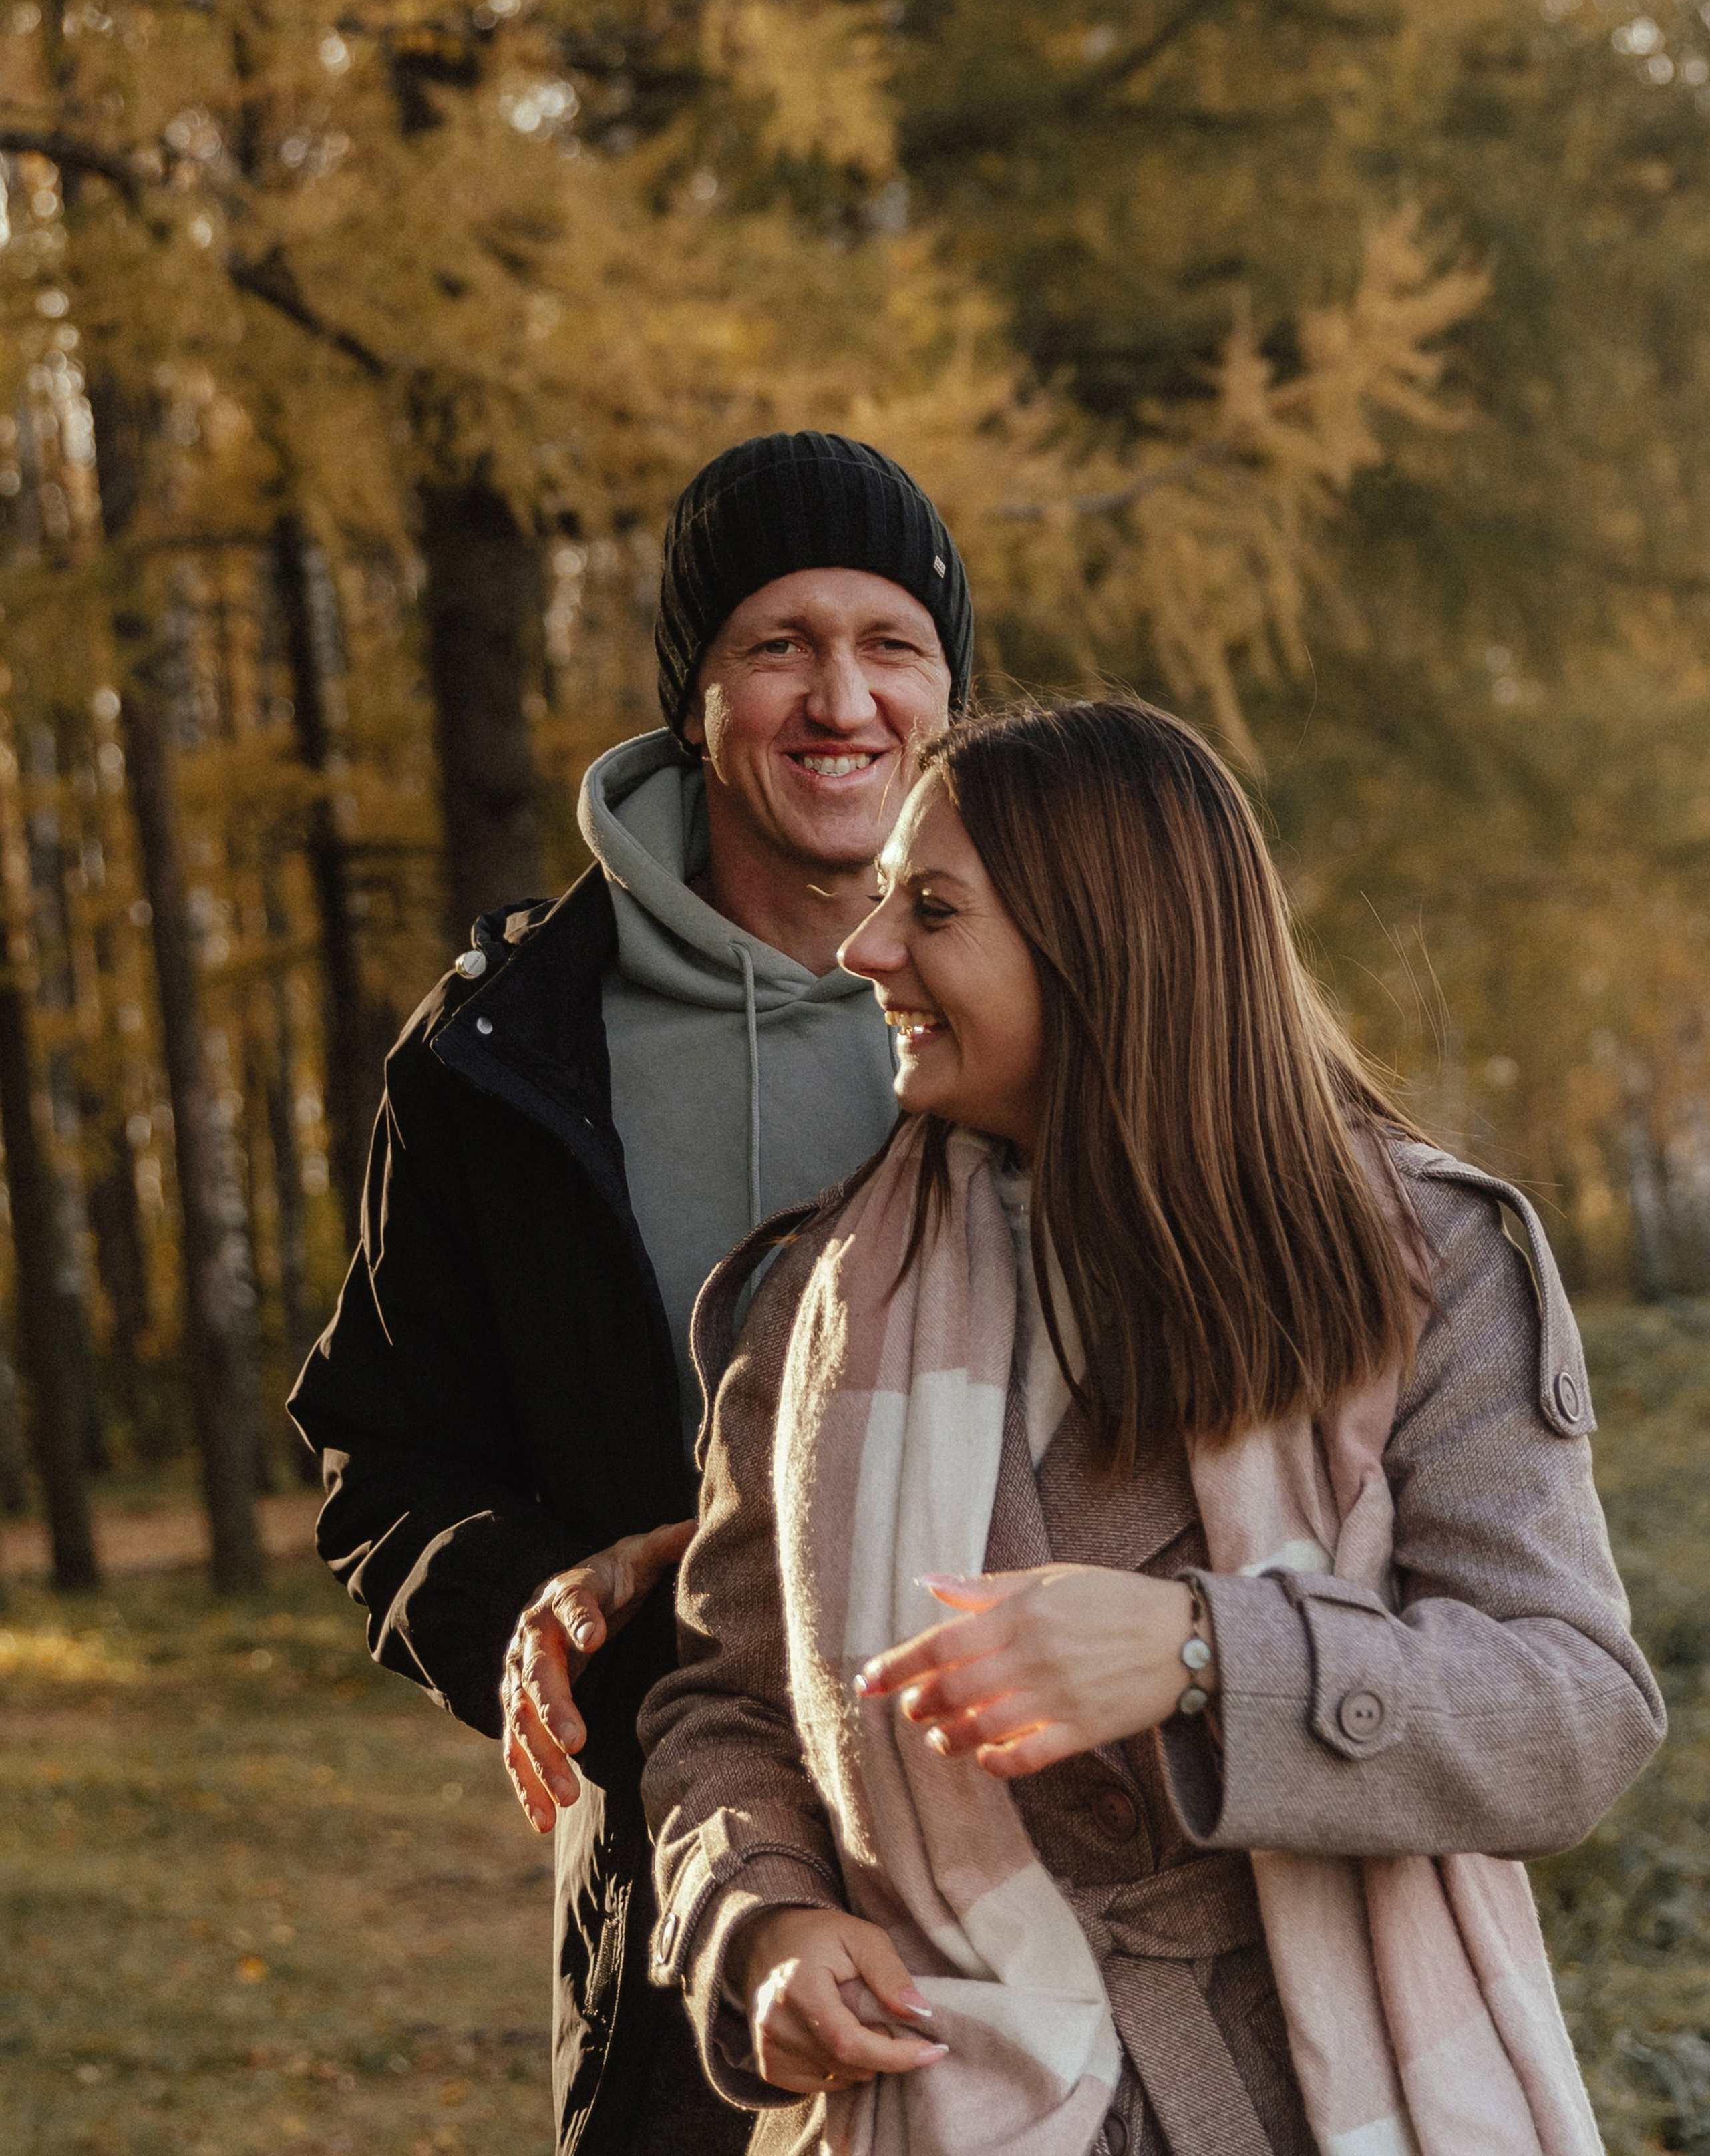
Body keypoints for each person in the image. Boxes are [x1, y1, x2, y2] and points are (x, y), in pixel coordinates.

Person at [640, 697, 1665, 2156]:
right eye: (878, 907)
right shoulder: (816, 1302)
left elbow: (1573, 1716)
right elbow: (730, 1704)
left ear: (1099, 944)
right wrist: (765, 1918)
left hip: (1316, 2093)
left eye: (928, 910)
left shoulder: (1424, 1264)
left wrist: (1199, 1655)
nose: (866, 953)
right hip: (936, 2101)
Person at [288, 430, 972, 2156]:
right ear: (694, 700)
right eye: (779, 645)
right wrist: (559, 1628)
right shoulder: (503, 1059)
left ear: (947, 693)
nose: (843, 700)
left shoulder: (1065, 995)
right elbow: (381, 1464)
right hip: (688, 1881)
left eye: (892, 645)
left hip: (1034, 1855)